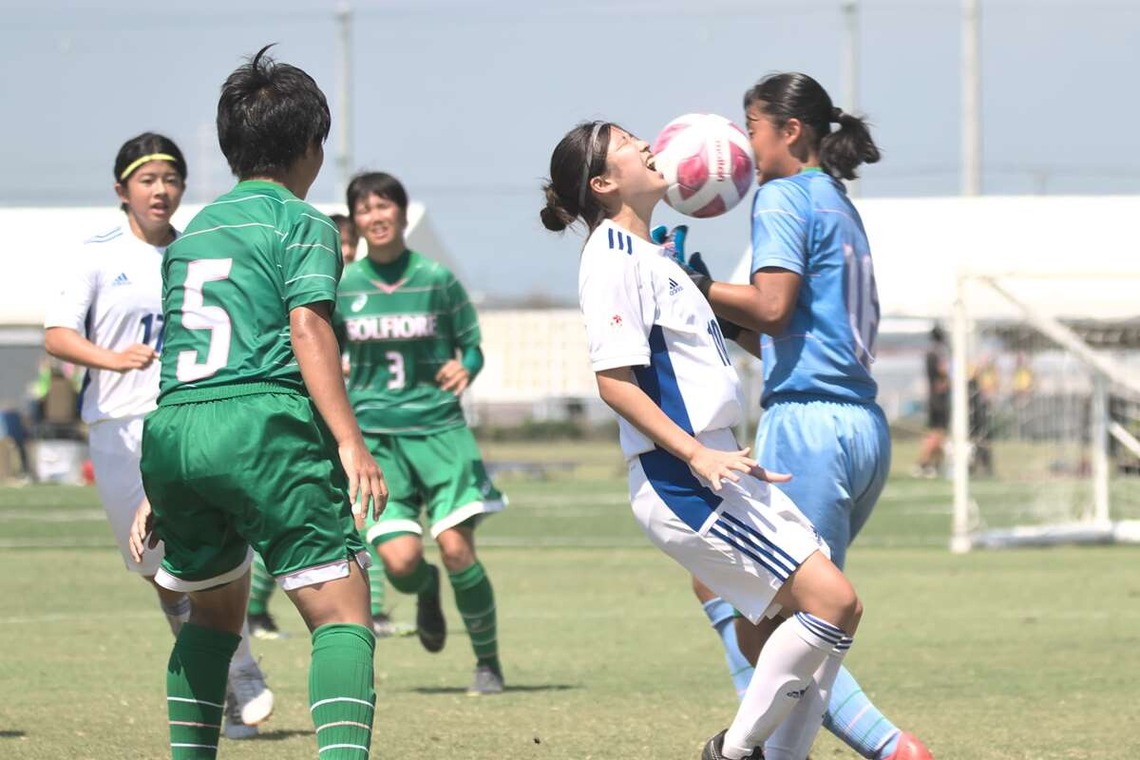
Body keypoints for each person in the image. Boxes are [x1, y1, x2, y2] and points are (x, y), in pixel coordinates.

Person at [541, 119, 863, 760]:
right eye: (630, 143)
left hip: (721, 465)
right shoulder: (608, 257)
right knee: (834, 602)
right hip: (681, 475)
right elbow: (615, 383)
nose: (649, 145)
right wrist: (698, 454)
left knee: (817, 626)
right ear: (603, 182)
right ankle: (734, 752)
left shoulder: (651, 255)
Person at [128, 47, 387, 759]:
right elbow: (308, 326)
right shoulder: (298, 221)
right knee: (341, 616)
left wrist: (162, 480)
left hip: (177, 431)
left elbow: (181, 356)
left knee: (212, 615)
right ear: (311, 146)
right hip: (262, 425)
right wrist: (348, 440)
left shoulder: (190, 240)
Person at [681, 72, 933, 759]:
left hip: (809, 427)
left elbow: (771, 307)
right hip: (856, 424)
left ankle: (883, 749)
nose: (744, 145)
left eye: (753, 127)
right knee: (728, 579)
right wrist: (716, 309)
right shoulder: (838, 201)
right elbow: (781, 334)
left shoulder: (783, 194)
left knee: (797, 616)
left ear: (790, 132)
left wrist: (698, 286)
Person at [42, 132, 275, 740]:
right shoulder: (96, 255)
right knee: (159, 571)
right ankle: (222, 681)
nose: (161, 190)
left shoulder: (199, 249)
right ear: (122, 191)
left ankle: (240, 672)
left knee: (211, 555)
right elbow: (57, 335)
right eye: (147, 180)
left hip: (193, 421)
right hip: (119, 431)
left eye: (170, 179)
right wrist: (112, 359)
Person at [337, 170, 507, 695]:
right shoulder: (343, 287)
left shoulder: (437, 279)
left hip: (440, 434)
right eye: (365, 209)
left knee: (457, 548)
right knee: (402, 563)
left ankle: (488, 663)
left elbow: (471, 344)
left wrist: (467, 367)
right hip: (377, 443)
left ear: (402, 214)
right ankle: (424, 588)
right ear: (357, 222)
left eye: (385, 206)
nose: (376, 216)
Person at [915, 325, 950, 478]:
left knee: (939, 434)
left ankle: (935, 465)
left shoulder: (931, 354)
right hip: (938, 400)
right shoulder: (936, 355)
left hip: (934, 398)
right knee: (936, 434)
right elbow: (942, 375)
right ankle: (923, 463)